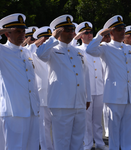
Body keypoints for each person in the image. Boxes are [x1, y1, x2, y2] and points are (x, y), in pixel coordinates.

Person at [36, 14, 92, 150]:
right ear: (59, 32)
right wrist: (53, 37)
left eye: (72, 29)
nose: (72, 33)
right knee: (62, 142)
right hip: (61, 104)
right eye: (67, 30)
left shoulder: (77, 52)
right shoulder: (52, 50)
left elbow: (85, 76)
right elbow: (40, 54)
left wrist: (88, 97)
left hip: (79, 102)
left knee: (78, 141)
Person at [86, 15, 131, 150]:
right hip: (115, 95)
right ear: (111, 32)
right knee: (114, 130)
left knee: (128, 128)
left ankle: (127, 147)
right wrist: (100, 35)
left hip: (129, 94)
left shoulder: (129, 49)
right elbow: (90, 50)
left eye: (124, 29)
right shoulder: (105, 47)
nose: (123, 31)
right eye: (119, 29)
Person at [0, 13, 40, 150]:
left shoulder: (26, 52)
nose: (22, 34)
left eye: (23, 31)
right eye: (17, 31)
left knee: (32, 146)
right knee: (14, 147)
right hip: (14, 111)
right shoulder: (2, 51)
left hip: (32, 109)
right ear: (7, 34)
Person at [72, 21, 108, 150]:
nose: (89, 35)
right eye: (86, 33)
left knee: (97, 120)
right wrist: (75, 38)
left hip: (99, 88)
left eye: (91, 32)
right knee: (86, 121)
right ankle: (87, 143)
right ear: (80, 36)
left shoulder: (98, 48)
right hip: (86, 90)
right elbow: (68, 47)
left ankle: (99, 142)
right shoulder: (77, 49)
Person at [26, 26, 55, 150]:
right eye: (45, 39)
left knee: (58, 126)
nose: (47, 41)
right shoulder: (32, 53)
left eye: (49, 38)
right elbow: (26, 49)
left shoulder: (54, 52)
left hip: (56, 94)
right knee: (44, 127)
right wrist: (38, 42)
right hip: (42, 95)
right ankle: (46, 148)